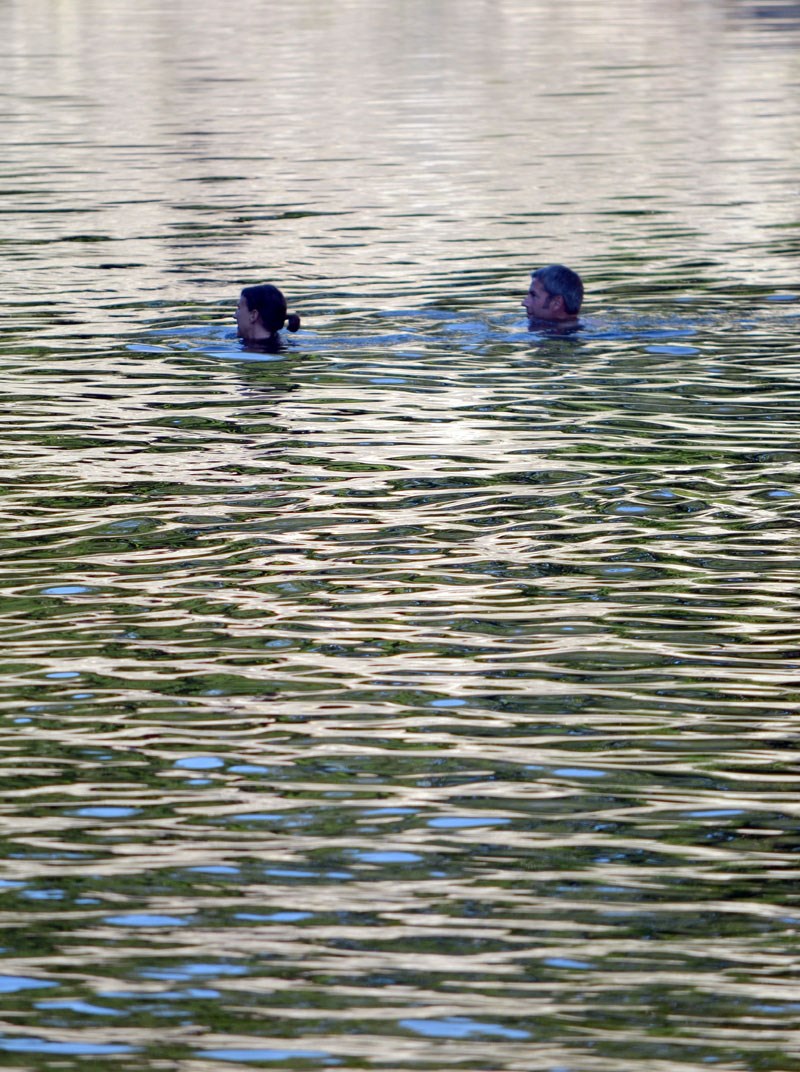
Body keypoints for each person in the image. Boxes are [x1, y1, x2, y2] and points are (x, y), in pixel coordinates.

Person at [236, 284, 300, 349]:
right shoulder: (285, 345)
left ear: (253, 315)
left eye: (239, 308)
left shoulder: (257, 353)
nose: (234, 316)